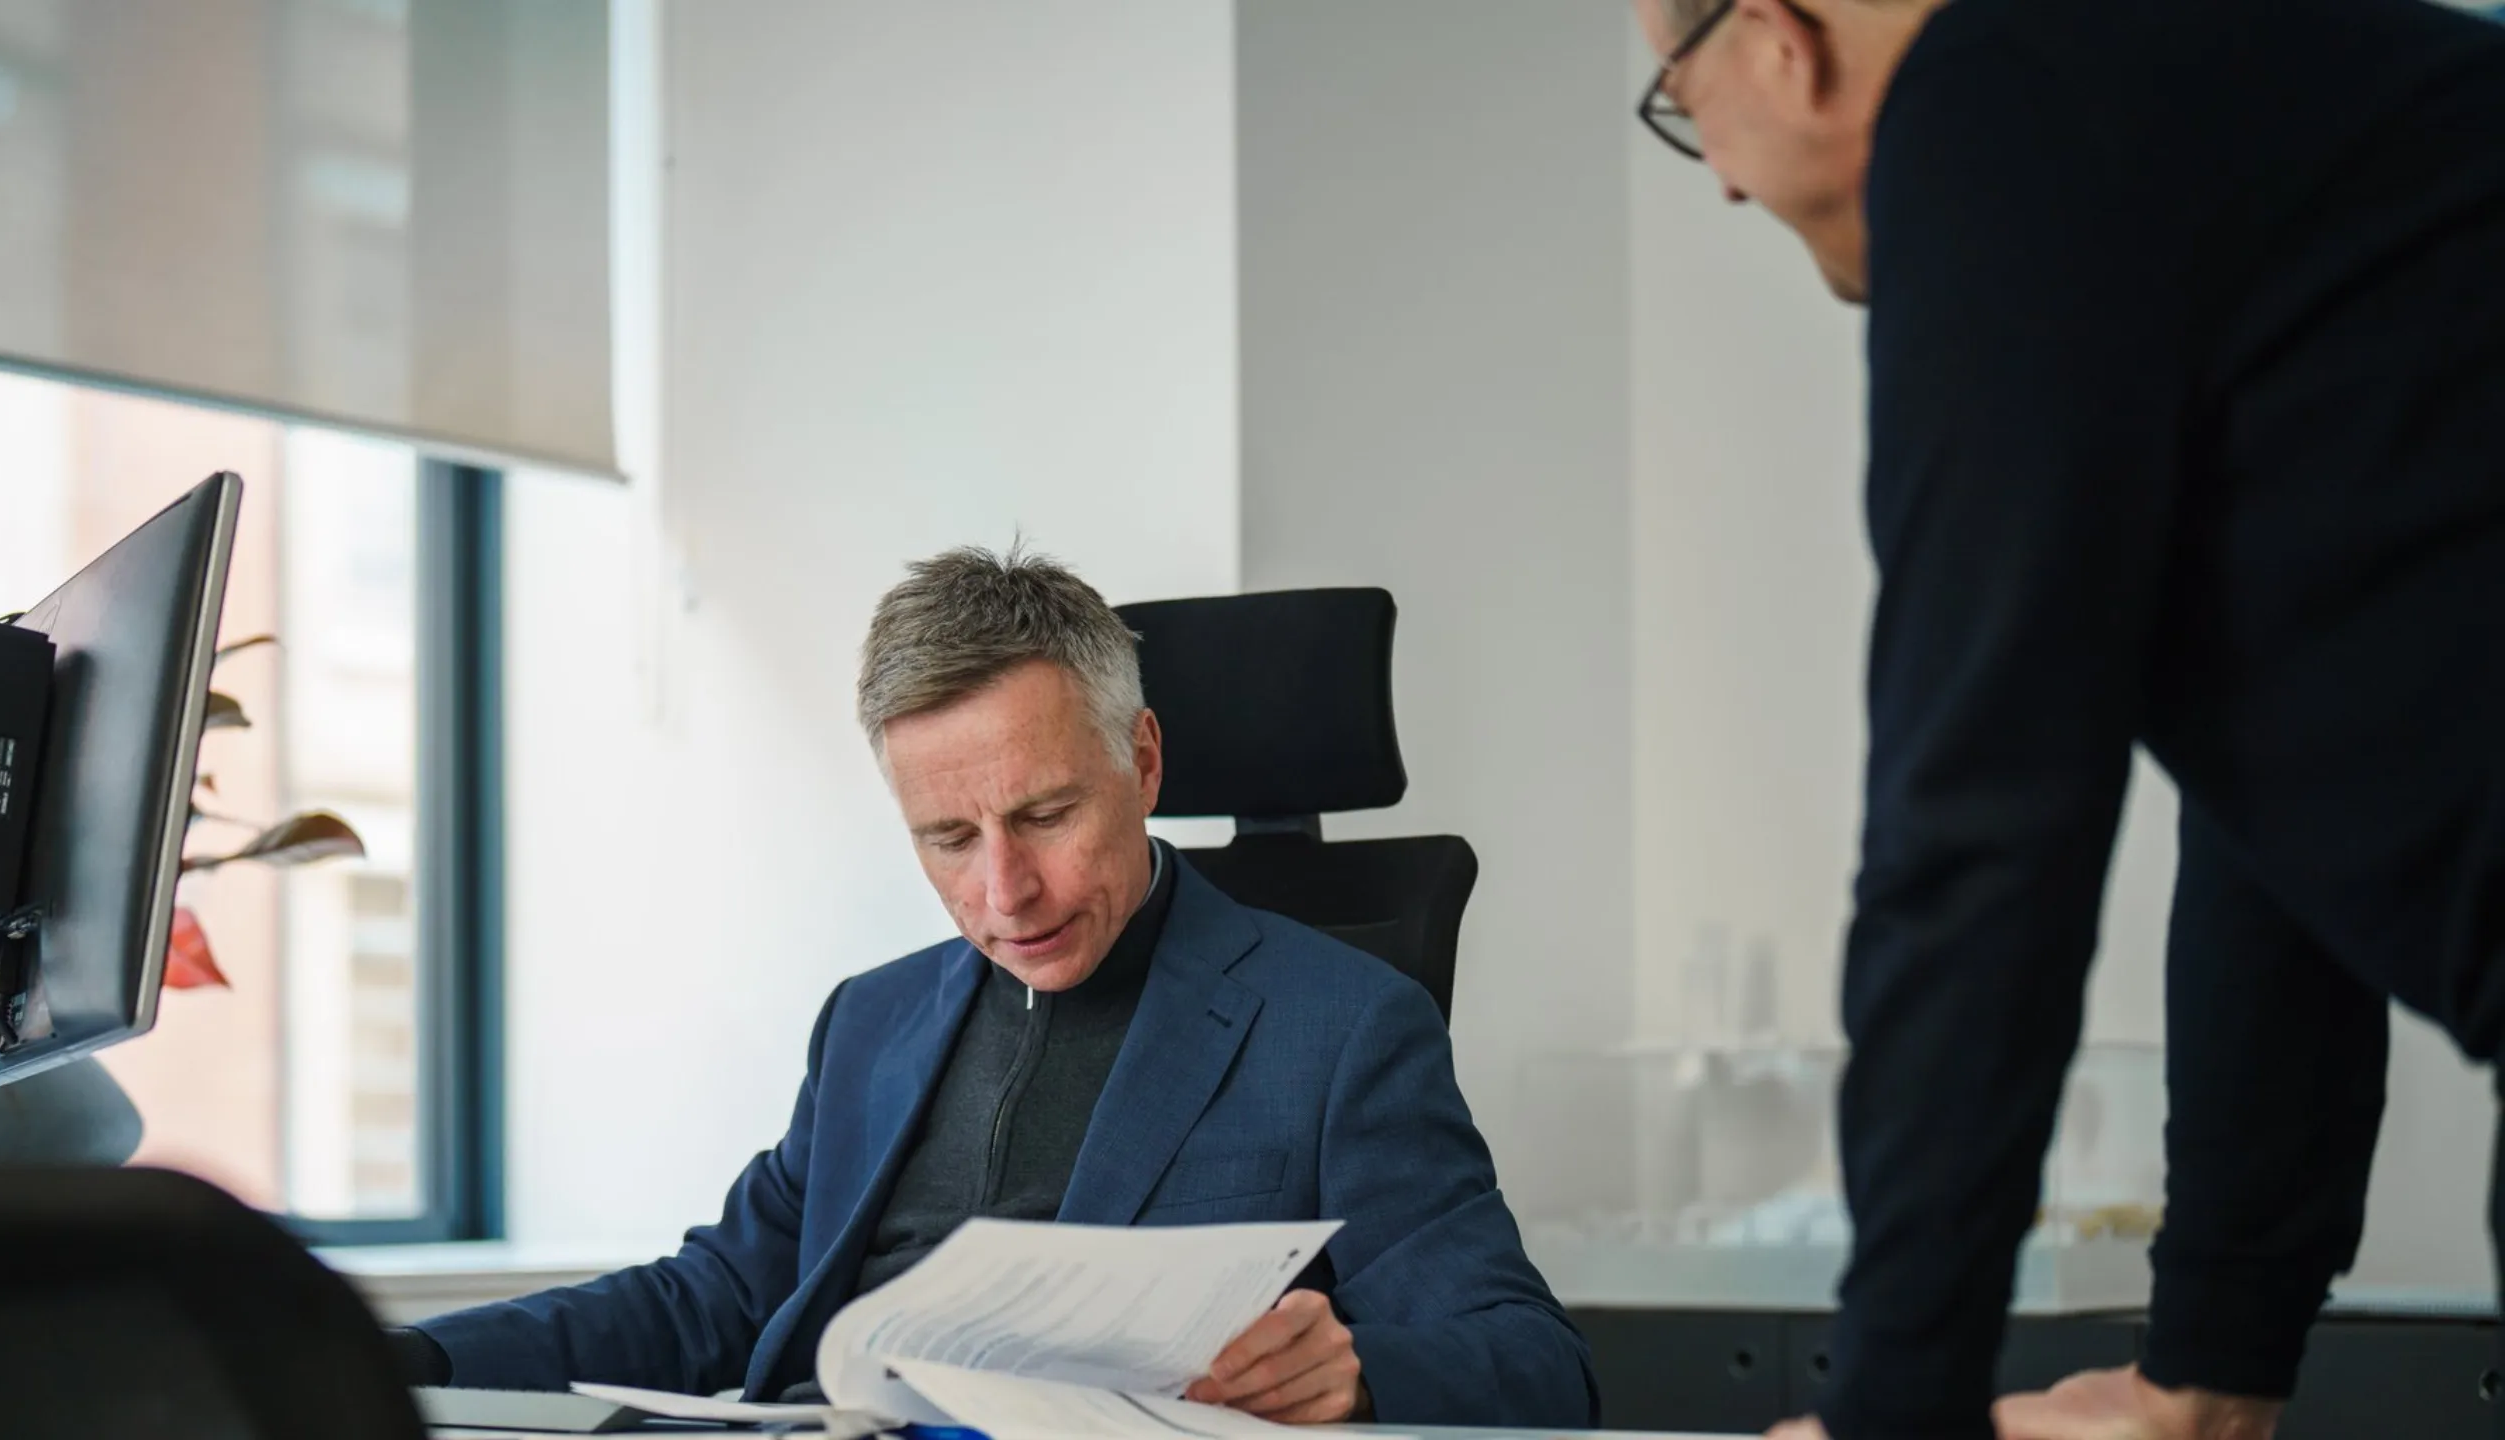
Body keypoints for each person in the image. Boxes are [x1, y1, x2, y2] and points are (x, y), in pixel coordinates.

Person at [1629, 0, 2505, 1436]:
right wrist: (2215, 1368)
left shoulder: (1992, 108)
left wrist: (1897, 1408)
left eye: (1683, 102)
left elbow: (1975, 833)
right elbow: (2272, 824)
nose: (1719, 175)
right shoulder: (2217, 95)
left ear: (1781, 38)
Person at [390, 546, 1598, 1428]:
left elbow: (1537, 1365)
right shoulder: (870, 1021)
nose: (1004, 894)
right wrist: (395, 1364)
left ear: (1143, 761)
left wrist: (1362, 1369)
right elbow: (716, 1296)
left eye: (1045, 815)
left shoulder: (1338, 1026)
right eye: (948, 839)